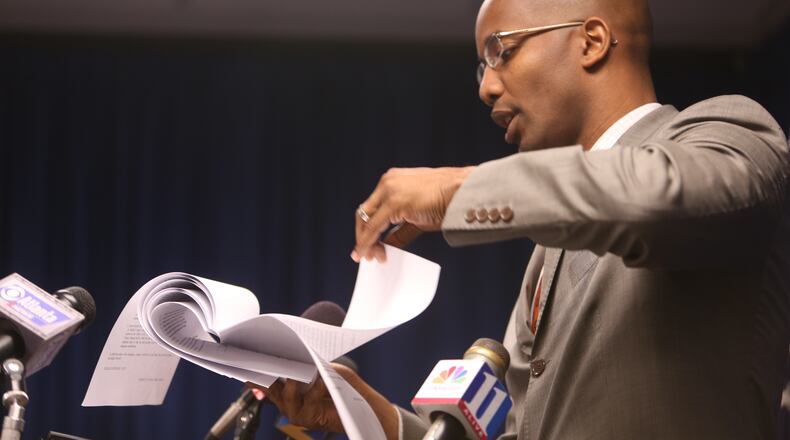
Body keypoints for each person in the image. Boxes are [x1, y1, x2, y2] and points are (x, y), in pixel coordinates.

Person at [265, 0, 790, 438]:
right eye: (482, 65)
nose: (486, 87)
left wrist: (458, 189)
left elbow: (656, 198)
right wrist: (361, 413)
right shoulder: (550, 253)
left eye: (501, 51)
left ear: (591, 41)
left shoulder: (734, 133)